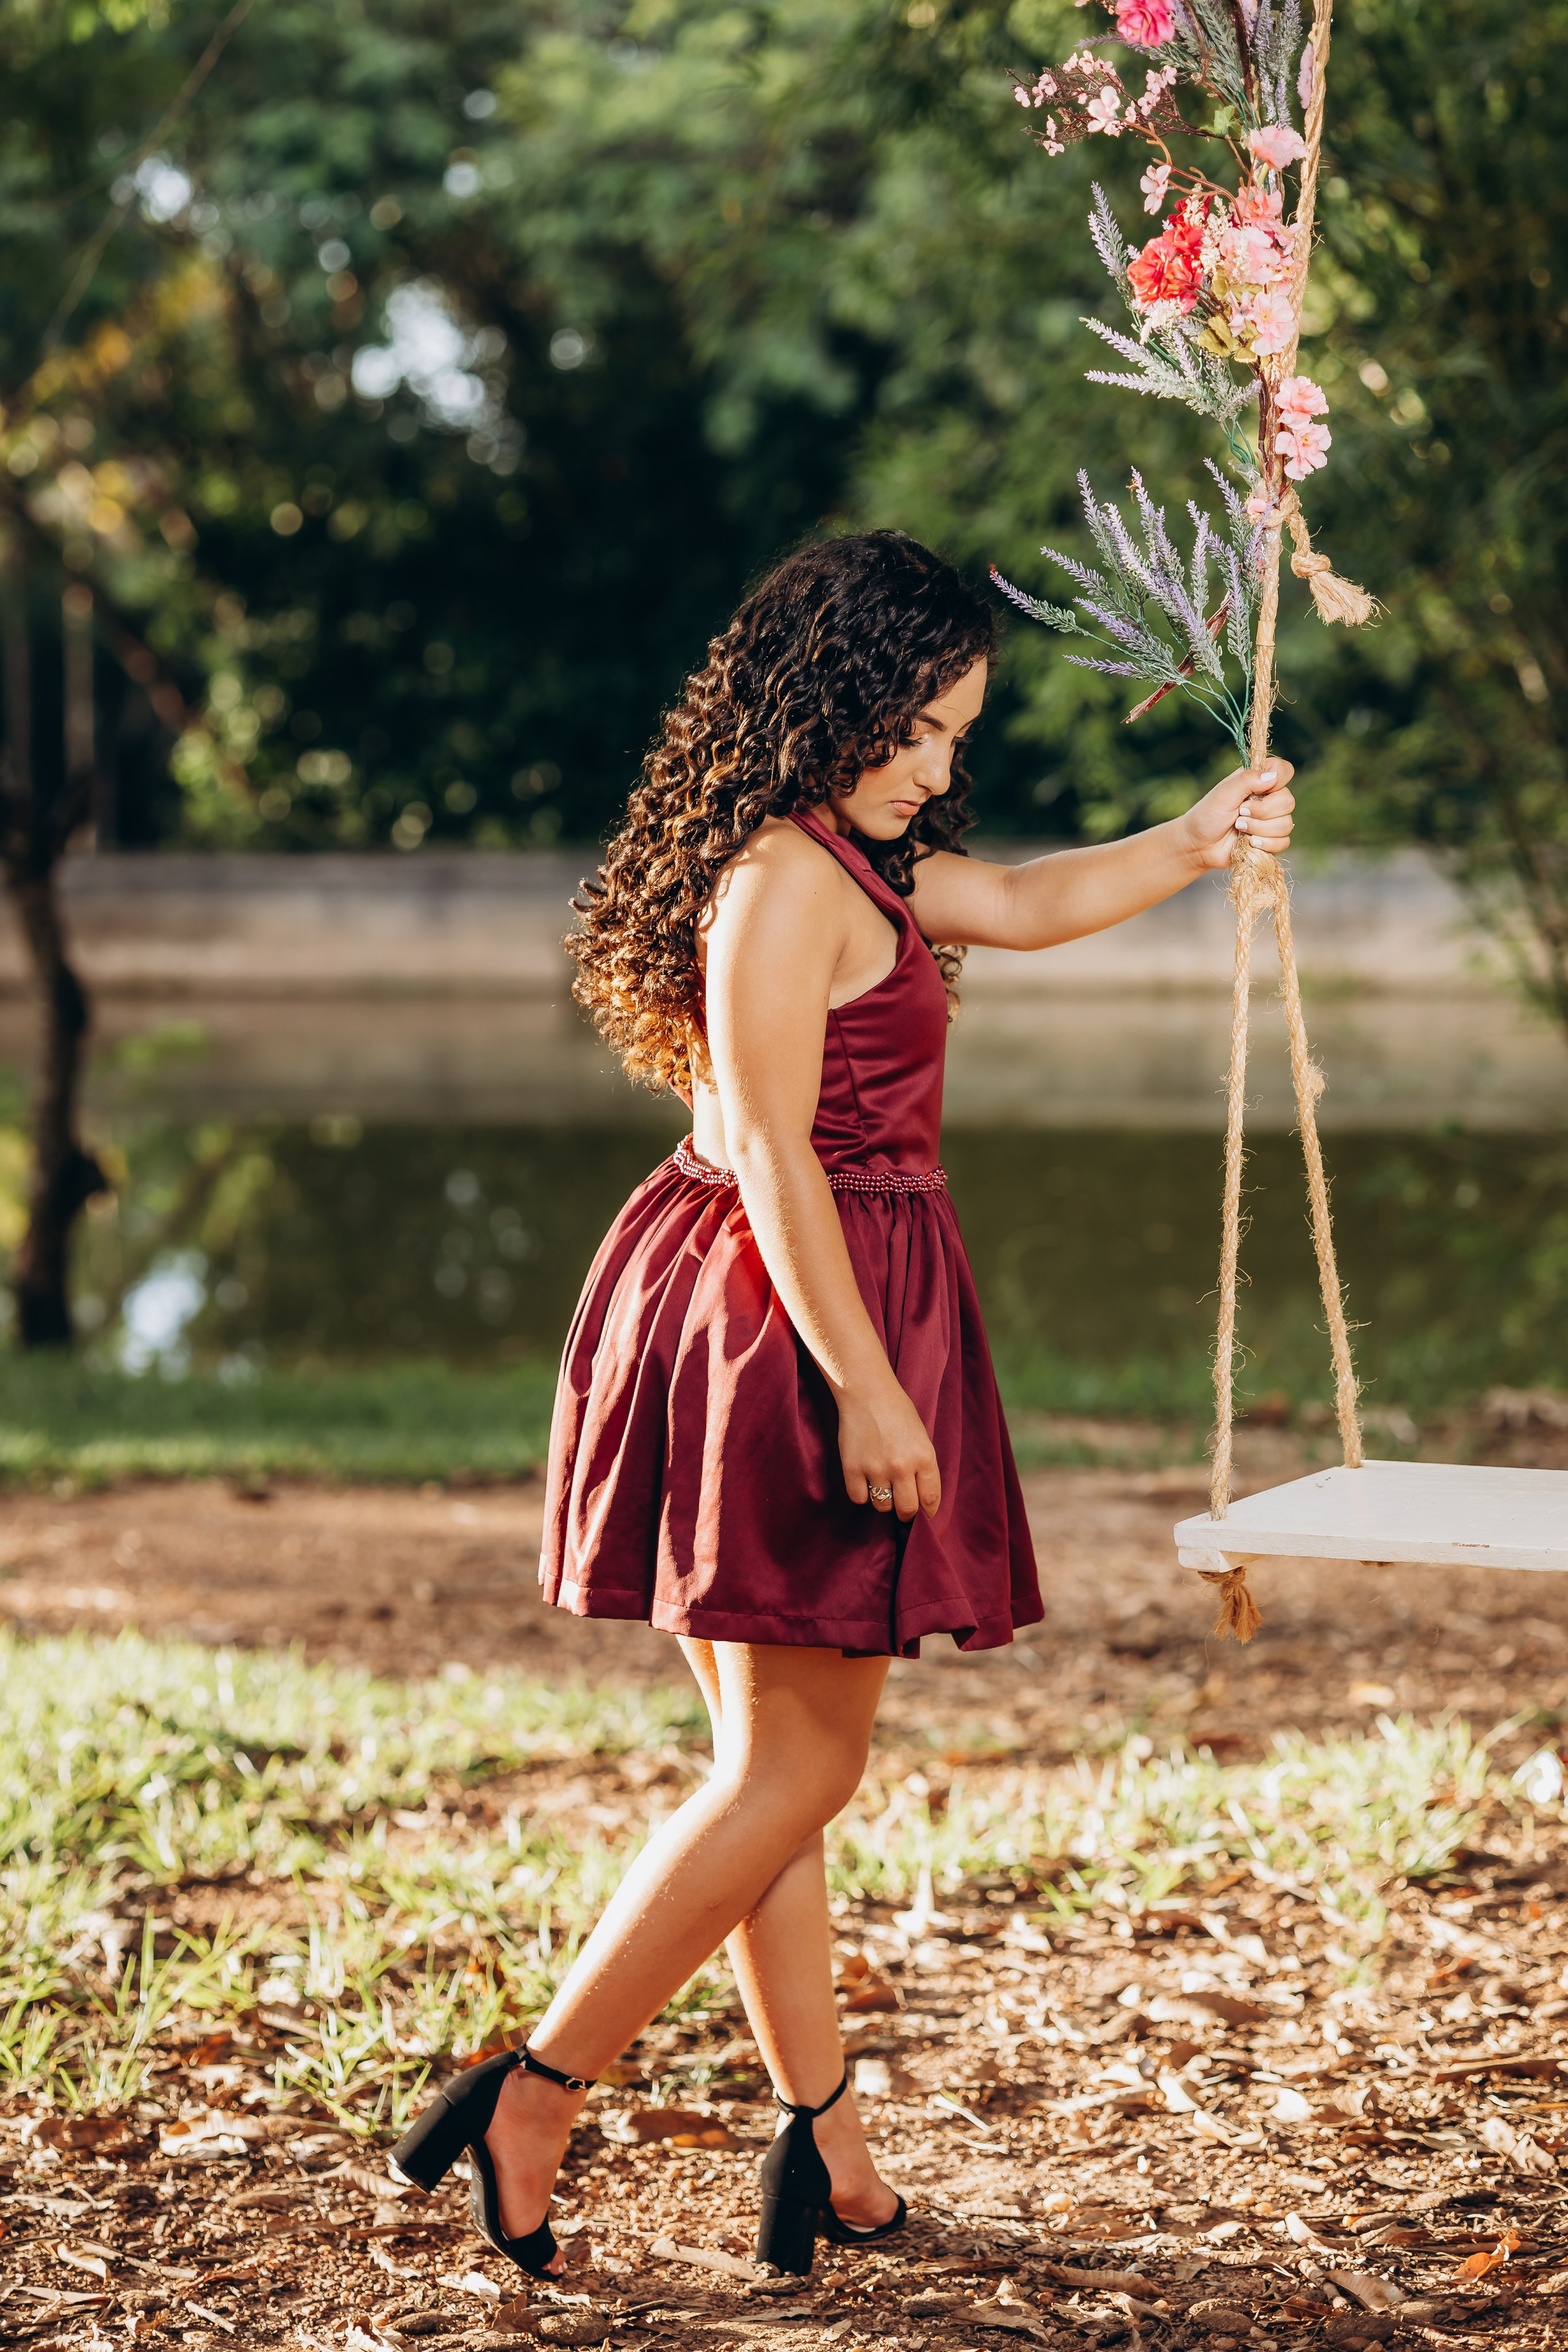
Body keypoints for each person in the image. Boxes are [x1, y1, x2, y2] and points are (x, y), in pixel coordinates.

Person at [391, 531, 1294, 2277]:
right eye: (928, 730)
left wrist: (1197, 840)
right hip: (785, 1318)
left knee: (768, 1773)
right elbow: (772, 1153)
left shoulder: (855, 859)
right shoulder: (786, 888)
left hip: (778, 1296)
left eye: (960, 734)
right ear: (839, 700)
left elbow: (1025, 903)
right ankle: (539, 2086)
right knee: (806, 1764)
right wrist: (871, 1390)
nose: (947, 767)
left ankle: (825, 2147)